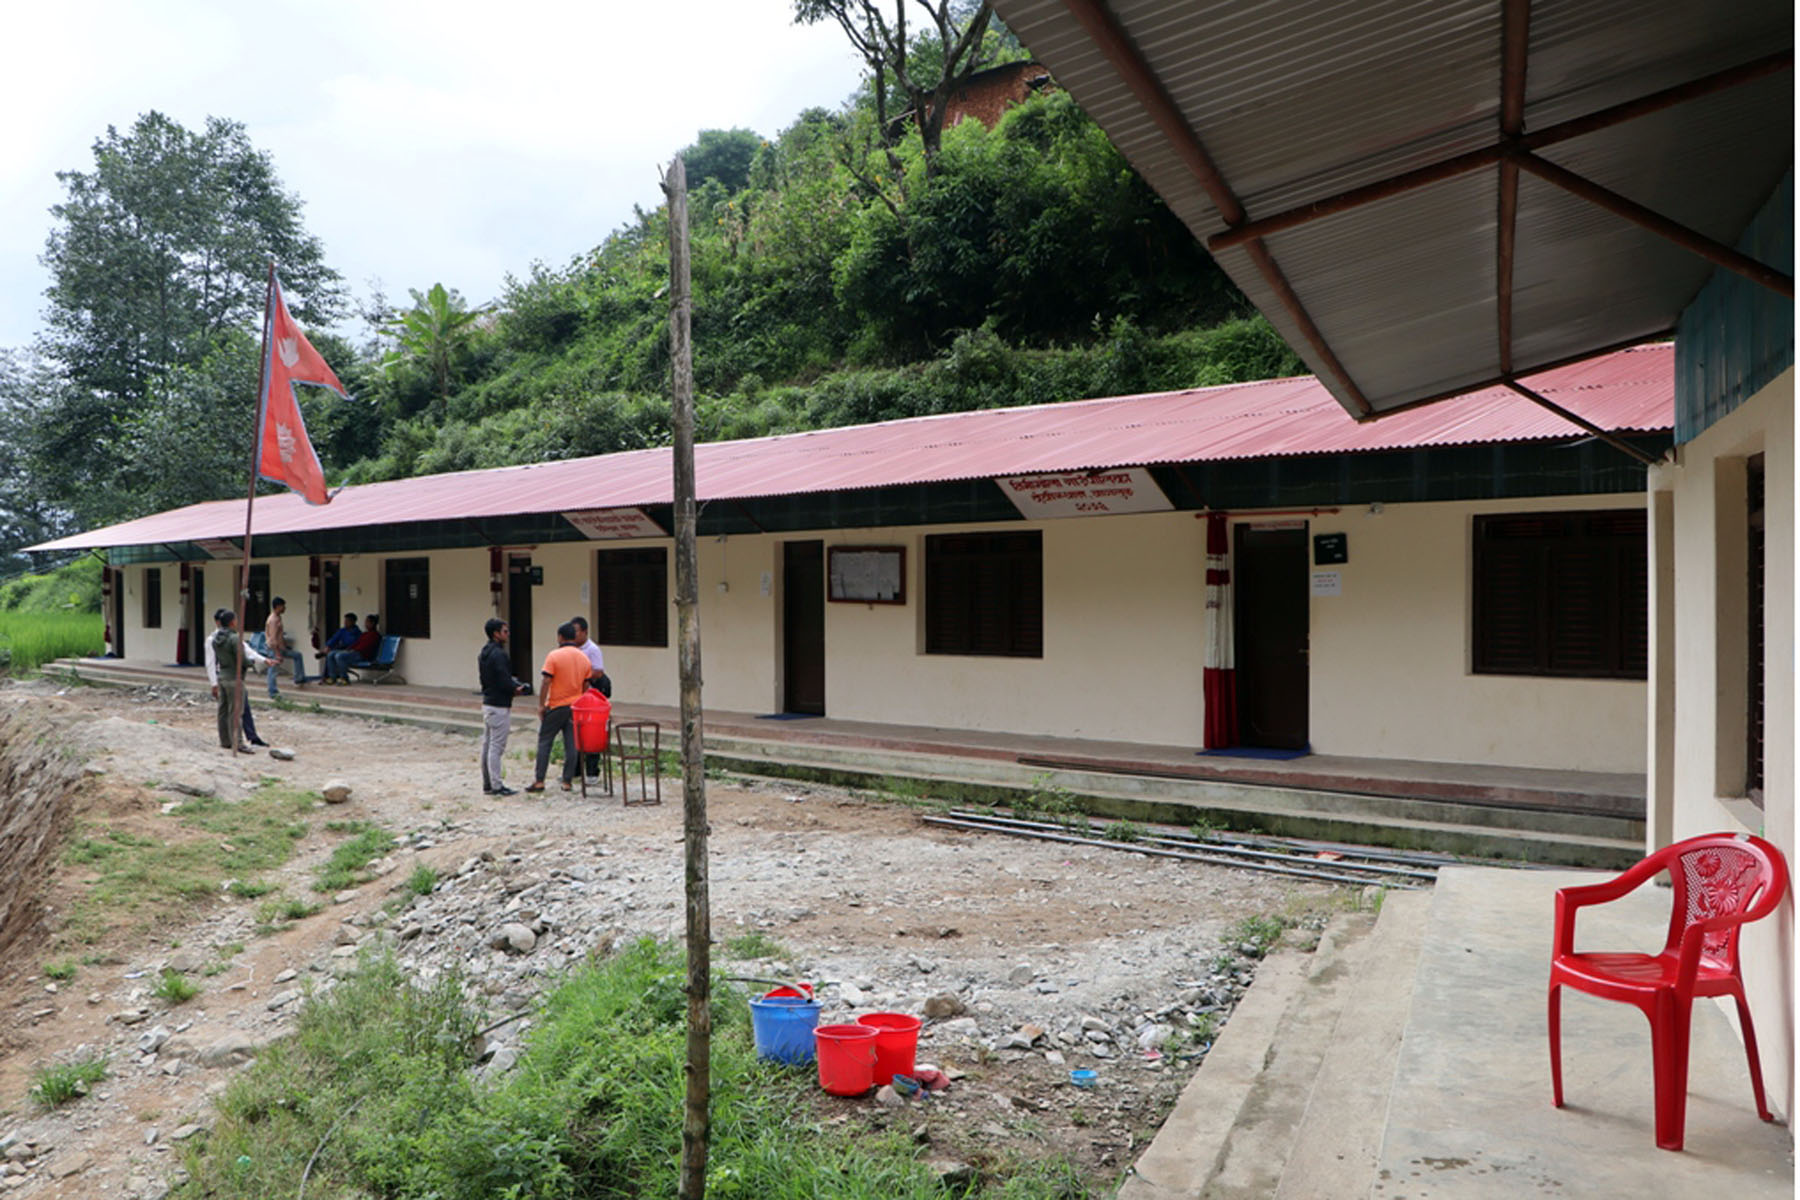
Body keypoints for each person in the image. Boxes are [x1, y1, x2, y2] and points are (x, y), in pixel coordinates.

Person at [527, 622, 591, 793]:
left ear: (560, 637)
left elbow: (546, 681)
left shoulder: (554, 656)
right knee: (571, 745)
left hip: (556, 706)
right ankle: (567, 781)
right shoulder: (584, 658)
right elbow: (586, 685)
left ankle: (539, 780)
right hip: (575, 707)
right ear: (574, 637)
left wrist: (541, 705)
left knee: (545, 742)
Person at [478, 617, 530, 796]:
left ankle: (488, 783)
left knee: (487, 745)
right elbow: (503, 679)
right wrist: (516, 688)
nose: (508, 634)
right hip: (499, 705)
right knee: (496, 747)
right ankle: (496, 785)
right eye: (505, 631)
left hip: (488, 702)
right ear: (496, 634)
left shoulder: (484, 652)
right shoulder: (499, 655)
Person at [206, 608, 272, 749]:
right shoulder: (234, 638)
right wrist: (252, 663)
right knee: (236, 712)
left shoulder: (215, 639)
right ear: (231, 622)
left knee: (223, 711)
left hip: (222, 677)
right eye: (236, 620)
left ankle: (226, 740)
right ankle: (238, 742)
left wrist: (263, 659)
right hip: (234, 678)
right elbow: (242, 657)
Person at [569, 615, 611, 781]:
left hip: (591, 698)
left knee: (592, 733)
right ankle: (575, 770)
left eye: (576, 631)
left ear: (585, 632)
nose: (573, 635)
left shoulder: (592, 649)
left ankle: (592, 771)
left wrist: (580, 675)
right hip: (576, 696)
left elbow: (598, 671)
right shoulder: (572, 648)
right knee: (576, 733)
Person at [262, 596, 314, 696]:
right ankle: (272, 691)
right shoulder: (273, 620)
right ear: (278, 606)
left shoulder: (278, 617)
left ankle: (299, 678)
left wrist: (284, 645)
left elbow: (279, 635)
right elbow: (272, 639)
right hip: (274, 649)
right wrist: (277, 653)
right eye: (283, 606)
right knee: (273, 669)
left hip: (280, 648)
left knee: (297, 655)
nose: (284, 608)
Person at [323, 613, 380, 684]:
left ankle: (344, 678)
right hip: (353, 652)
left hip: (362, 655)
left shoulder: (375, 635)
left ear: (373, 623)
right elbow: (356, 643)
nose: (365, 624)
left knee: (340, 656)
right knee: (330, 654)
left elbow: (366, 647)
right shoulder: (364, 634)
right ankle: (332, 677)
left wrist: (352, 650)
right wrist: (349, 649)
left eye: (367, 622)